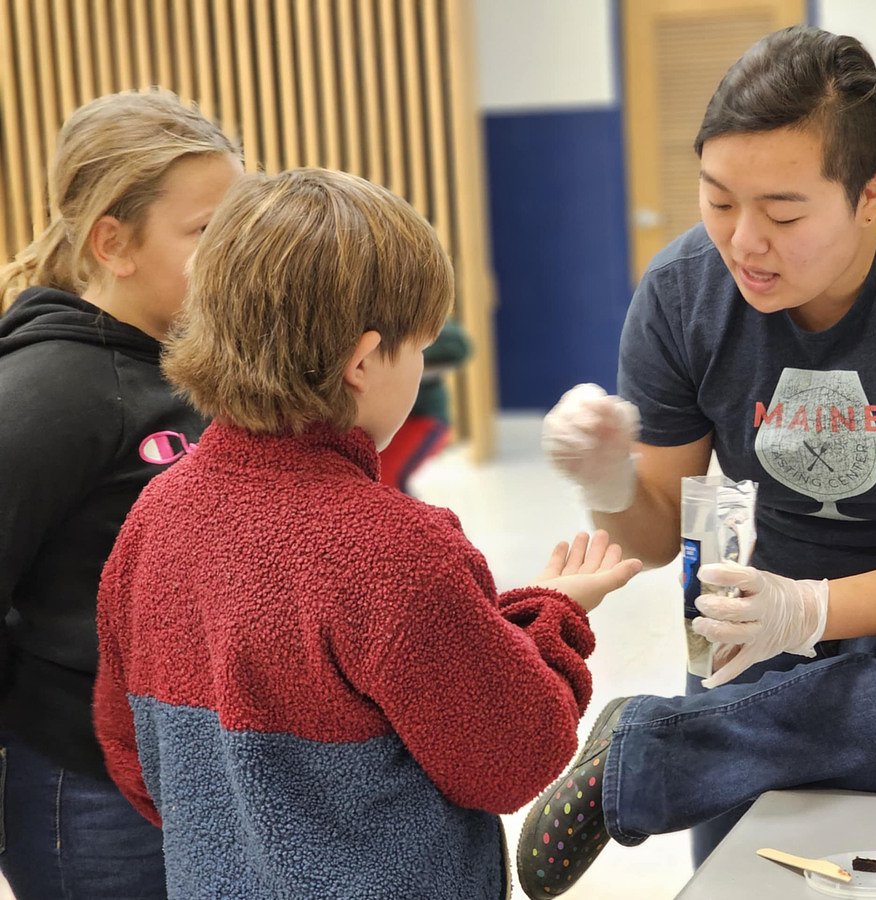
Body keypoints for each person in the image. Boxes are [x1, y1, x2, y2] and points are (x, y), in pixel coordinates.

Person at [517, 24, 876, 899]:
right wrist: (609, 481)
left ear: (869, 193)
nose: (743, 242)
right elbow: (657, 533)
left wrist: (811, 611)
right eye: (717, 200)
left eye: (781, 213)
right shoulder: (680, 292)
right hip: (756, 612)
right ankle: (696, 742)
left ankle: (653, 747)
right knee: (735, 867)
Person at [91, 168, 643, 899]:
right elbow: (511, 756)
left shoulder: (154, 518)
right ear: (361, 360)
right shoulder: (393, 551)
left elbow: (132, 756)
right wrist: (554, 618)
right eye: (416, 346)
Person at [0, 90, 241, 899]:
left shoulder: (186, 364)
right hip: (89, 792)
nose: (236, 255)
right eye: (208, 233)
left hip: (183, 775)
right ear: (114, 242)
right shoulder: (47, 391)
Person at [378, 317, 472, 495]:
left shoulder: (417, 317)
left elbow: (458, 346)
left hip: (421, 421)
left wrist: (396, 354)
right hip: (383, 422)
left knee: (386, 482)